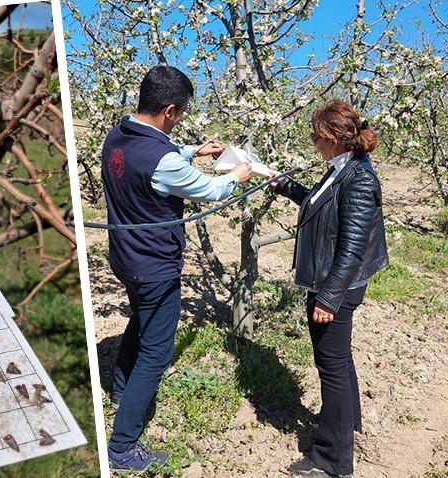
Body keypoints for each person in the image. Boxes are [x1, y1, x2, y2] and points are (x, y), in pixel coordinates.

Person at [101, 65, 253, 471]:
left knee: (141, 320)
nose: (182, 118)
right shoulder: (161, 160)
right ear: (170, 110)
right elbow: (210, 190)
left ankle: (119, 388)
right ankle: (121, 448)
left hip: (125, 257)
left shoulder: (118, 136)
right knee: (157, 353)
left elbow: (153, 158)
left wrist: (193, 151)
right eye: (181, 112)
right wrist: (237, 175)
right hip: (154, 265)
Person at [272, 100, 388, 478]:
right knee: (339, 360)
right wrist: (286, 186)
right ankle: (348, 426)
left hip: (336, 284)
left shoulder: (359, 180)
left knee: (331, 366)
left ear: (336, 140)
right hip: (333, 281)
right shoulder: (340, 169)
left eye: (317, 137)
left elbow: (352, 247)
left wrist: (329, 297)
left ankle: (333, 460)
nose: (313, 143)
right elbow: (322, 207)